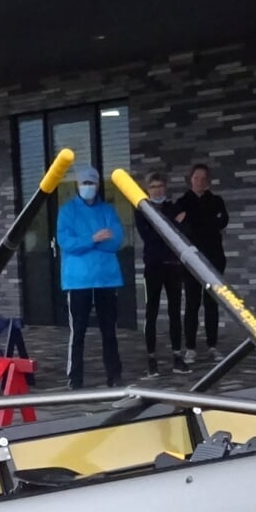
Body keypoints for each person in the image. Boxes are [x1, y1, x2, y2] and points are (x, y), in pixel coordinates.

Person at [56, 165, 125, 388]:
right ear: (77, 184)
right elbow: (66, 242)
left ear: (97, 184)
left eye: (91, 182)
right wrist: (94, 238)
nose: (88, 187)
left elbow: (116, 241)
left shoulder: (108, 210)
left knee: (109, 331)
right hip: (78, 281)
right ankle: (75, 379)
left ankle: (114, 375)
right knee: (78, 332)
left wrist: (85, 243)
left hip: (106, 278)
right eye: (84, 183)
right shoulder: (67, 211)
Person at [133, 169, 186, 375]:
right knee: (151, 311)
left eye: (160, 186)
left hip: (172, 264)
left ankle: (177, 356)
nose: (156, 191)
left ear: (165, 187)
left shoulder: (174, 207)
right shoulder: (142, 210)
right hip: (153, 265)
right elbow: (150, 237)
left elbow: (181, 234)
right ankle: (151, 359)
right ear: (148, 190)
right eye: (152, 187)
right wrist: (173, 224)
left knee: (175, 311)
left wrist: (170, 228)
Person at [175, 163, 229, 363]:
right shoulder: (181, 202)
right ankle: (190, 347)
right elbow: (182, 228)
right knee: (192, 304)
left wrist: (193, 220)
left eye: (203, 178)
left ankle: (212, 345)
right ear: (190, 179)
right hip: (191, 261)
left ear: (208, 181)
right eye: (196, 178)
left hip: (214, 258)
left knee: (211, 304)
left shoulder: (216, 200)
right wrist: (204, 221)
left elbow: (222, 221)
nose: (200, 181)